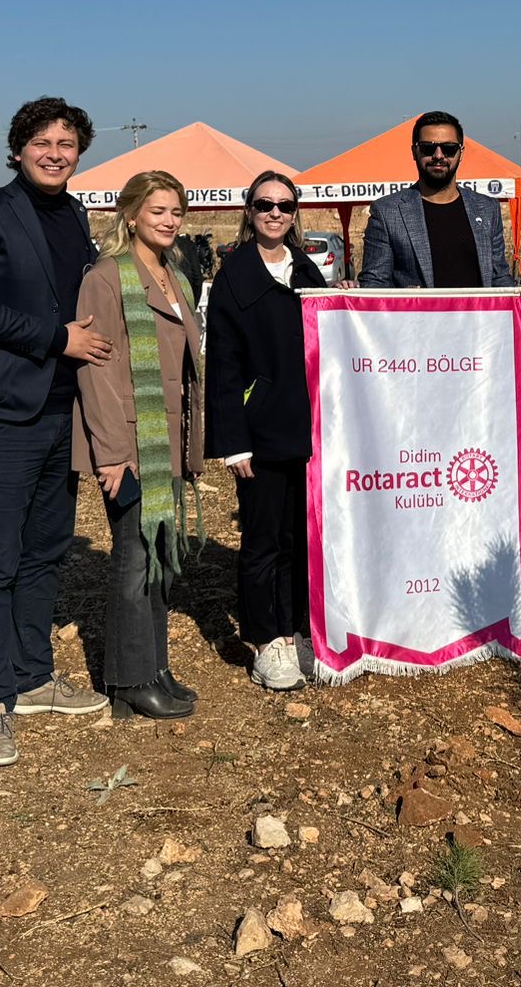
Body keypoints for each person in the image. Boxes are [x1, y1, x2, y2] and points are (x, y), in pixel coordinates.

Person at [0, 97, 115, 767]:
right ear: (17, 150)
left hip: (62, 413)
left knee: (46, 552)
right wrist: (56, 338)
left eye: (67, 144)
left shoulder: (75, 216)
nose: (55, 153)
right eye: (42, 142)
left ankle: (34, 676)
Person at [73, 171, 202, 720]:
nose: (169, 221)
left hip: (167, 439)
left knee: (161, 556)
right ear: (131, 216)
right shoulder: (106, 278)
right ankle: (128, 679)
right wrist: (111, 452)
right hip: (129, 442)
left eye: (176, 211)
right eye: (157, 211)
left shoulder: (175, 275)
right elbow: (95, 370)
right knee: (134, 557)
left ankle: (155, 666)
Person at [203, 170, 328, 692]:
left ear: (295, 213)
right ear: (249, 211)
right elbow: (223, 367)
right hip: (259, 433)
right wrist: (233, 443)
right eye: (264, 205)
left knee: (299, 538)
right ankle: (264, 640)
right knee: (261, 540)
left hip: (309, 431)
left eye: (284, 205)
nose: (275, 213)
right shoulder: (233, 277)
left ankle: (294, 629)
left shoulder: (308, 271)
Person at [357, 112, 513, 288]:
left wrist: (519, 294)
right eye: (428, 148)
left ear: (461, 153)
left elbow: (499, 278)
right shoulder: (387, 212)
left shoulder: (487, 209)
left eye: (449, 148)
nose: (438, 155)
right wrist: (403, 296)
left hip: (477, 308)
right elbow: (374, 284)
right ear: (414, 152)